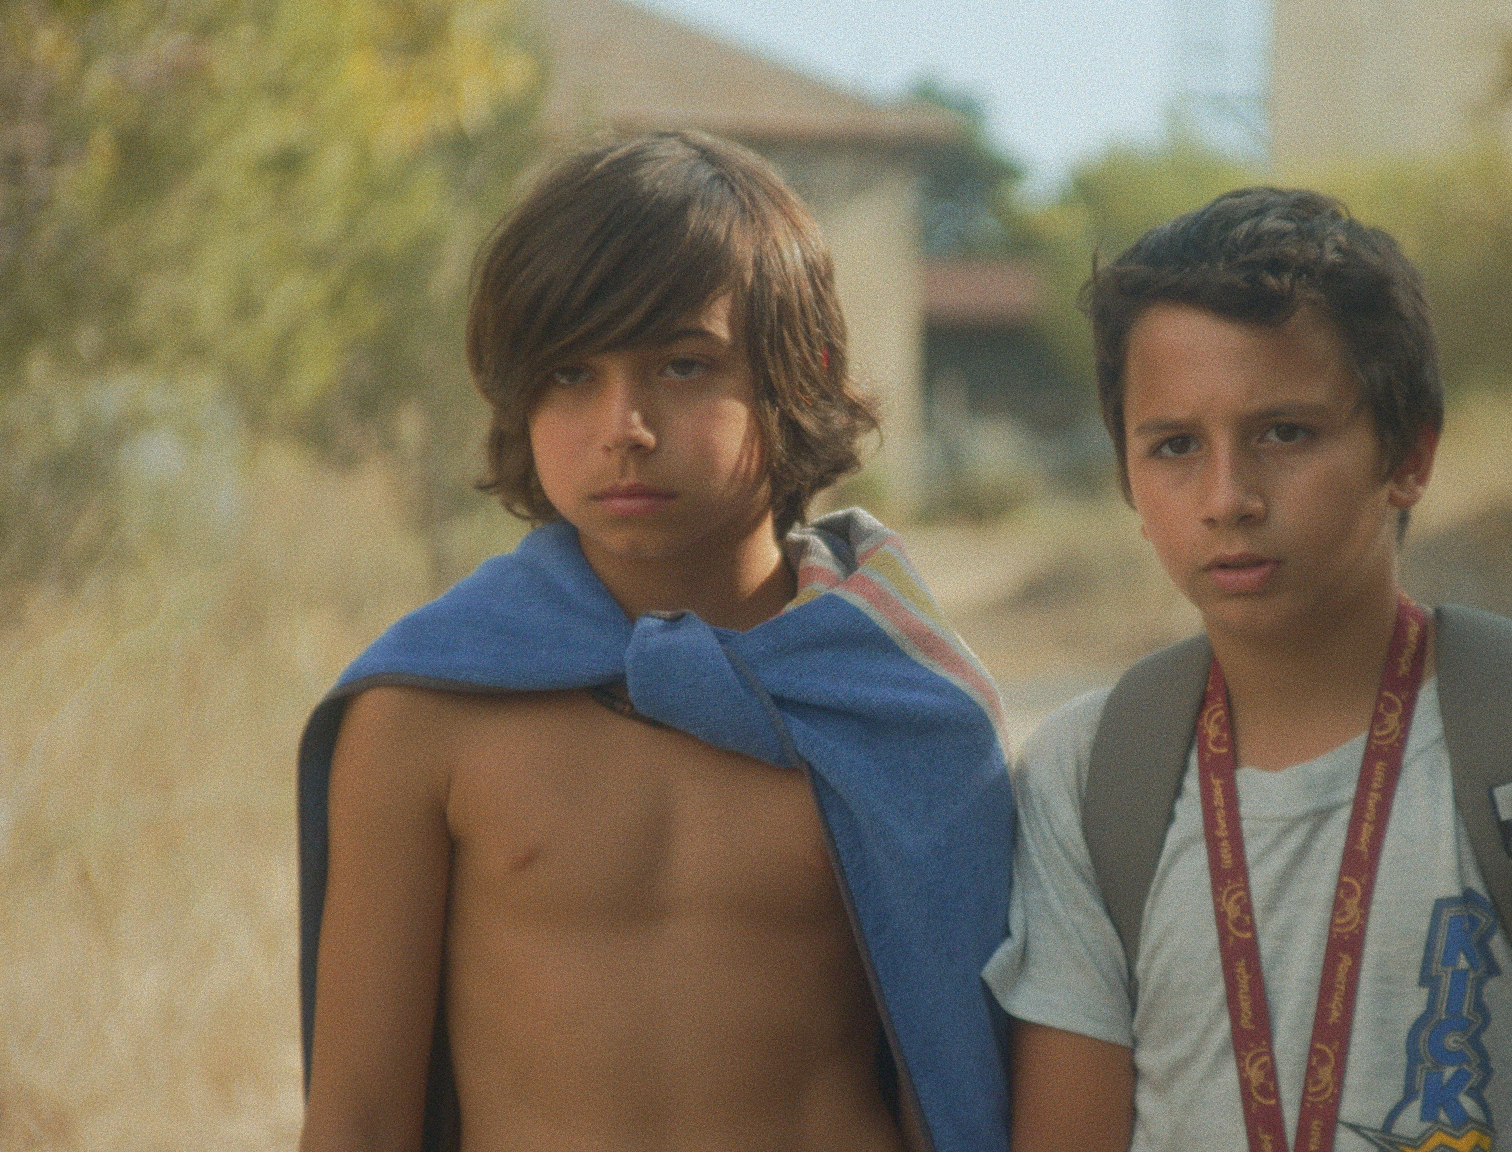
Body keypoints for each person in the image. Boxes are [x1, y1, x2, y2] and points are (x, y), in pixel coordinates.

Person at [982, 187, 1512, 1152]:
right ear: (1127, 482)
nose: (1228, 497)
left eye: (1285, 433)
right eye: (1175, 445)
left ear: (1408, 455)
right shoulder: (1088, 776)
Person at [297, 131, 1013, 1152]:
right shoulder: (425, 713)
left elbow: (959, 1080)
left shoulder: (900, 706)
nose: (623, 425)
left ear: (800, 372)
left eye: (683, 365)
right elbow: (360, 1119)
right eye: (569, 373)